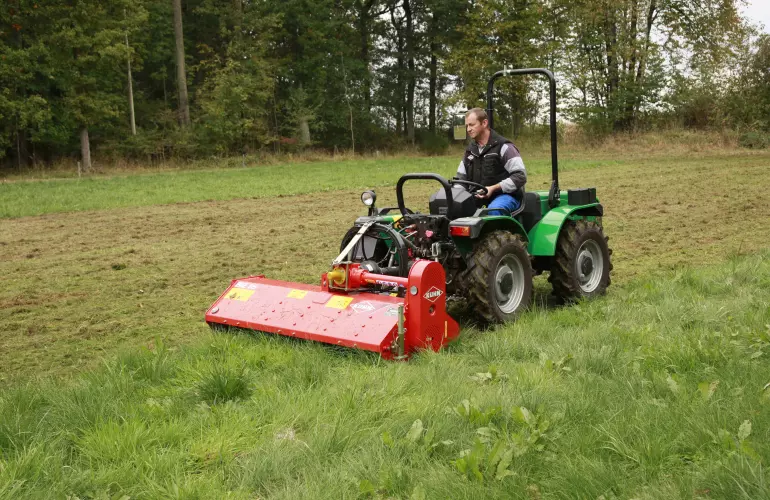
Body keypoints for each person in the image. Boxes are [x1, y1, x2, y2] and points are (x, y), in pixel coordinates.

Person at [456, 108, 527, 216]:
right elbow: (460, 180)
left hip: (505, 196)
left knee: (493, 210)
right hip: (477, 197)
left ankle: (500, 233)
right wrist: (456, 197)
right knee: (454, 207)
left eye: (471, 125)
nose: (468, 129)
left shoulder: (504, 147)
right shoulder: (470, 151)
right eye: (467, 126)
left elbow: (520, 176)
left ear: (484, 123)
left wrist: (493, 188)